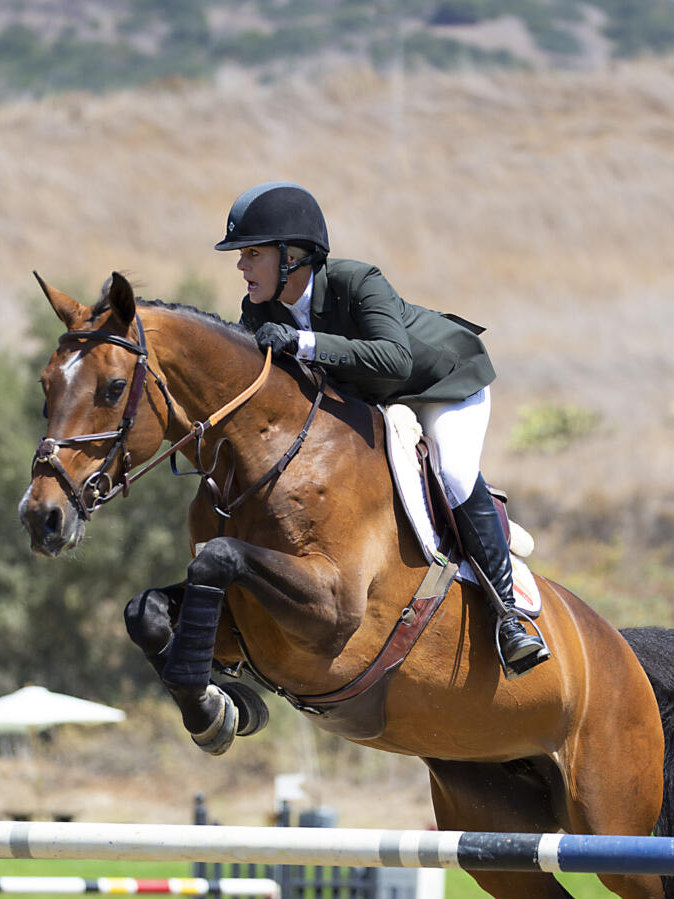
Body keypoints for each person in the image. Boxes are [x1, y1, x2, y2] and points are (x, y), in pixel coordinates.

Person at [215, 181, 549, 678]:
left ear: (294, 256)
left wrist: (304, 343)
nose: (241, 266)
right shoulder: (259, 310)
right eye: (242, 256)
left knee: (453, 470)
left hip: (442, 384)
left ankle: (509, 615)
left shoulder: (357, 281)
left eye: (253, 254)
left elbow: (395, 359)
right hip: (378, 398)